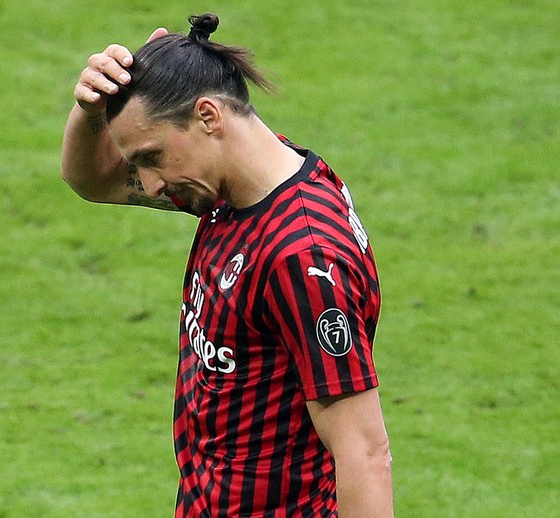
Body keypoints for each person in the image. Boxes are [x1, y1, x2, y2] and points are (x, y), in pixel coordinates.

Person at [61, 13, 393, 517]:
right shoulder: (230, 187)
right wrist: (91, 109)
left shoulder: (302, 255)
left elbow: (365, 454)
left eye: (151, 157)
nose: (148, 184)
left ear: (209, 116)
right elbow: (93, 180)